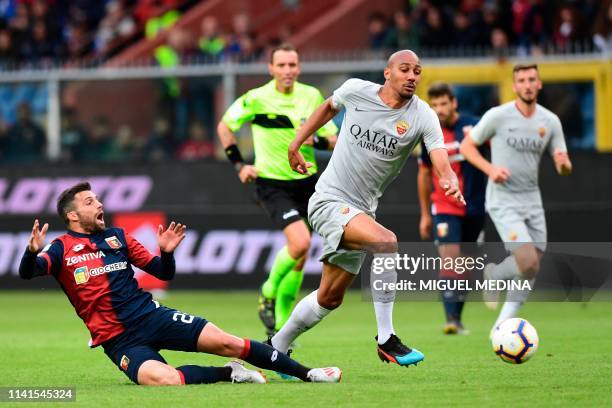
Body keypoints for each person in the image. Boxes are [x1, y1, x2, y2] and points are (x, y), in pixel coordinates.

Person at [19, 182, 341, 385]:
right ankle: (230, 374)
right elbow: (28, 271)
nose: (99, 204)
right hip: (120, 343)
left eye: (98, 199)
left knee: (228, 342)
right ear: (72, 216)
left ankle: (308, 373)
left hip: (152, 317)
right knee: (164, 380)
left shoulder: (117, 237)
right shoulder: (61, 249)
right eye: (90, 202)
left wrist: (166, 253)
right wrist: (30, 251)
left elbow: (163, 272)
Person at [271, 50, 465, 366]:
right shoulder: (356, 90)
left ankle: (275, 347)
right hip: (328, 201)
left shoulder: (422, 115)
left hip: (361, 213)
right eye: (405, 69)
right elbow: (326, 108)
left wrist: (448, 179)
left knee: (329, 297)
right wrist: (296, 144)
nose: (413, 76)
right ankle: (386, 338)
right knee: (386, 243)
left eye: (417, 71)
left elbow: (438, 154)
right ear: (388, 73)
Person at [217, 43, 338, 336]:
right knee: (300, 244)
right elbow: (225, 127)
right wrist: (240, 165)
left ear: (299, 68)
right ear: (270, 68)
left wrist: (314, 142)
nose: (287, 71)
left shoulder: (311, 96)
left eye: (292, 65)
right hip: (271, 182)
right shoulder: (257, 98)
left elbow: (332, 140)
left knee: (299, 258)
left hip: (307, 181)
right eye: (281, 65)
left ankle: (281, 325)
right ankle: (268, 292)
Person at [460, 63, 572, 336]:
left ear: (539, 84)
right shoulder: (498, 116)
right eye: (521, 80)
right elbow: (467, 146)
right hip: (503, 200)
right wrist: (491, 169)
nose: (527, 84)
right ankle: (496, 285)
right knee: (528, 262)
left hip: (532, 201)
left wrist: (563, 164)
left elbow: (563, 164)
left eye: (531, 79)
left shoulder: (550, 121)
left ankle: (499, 313)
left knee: (531, 267)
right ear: (514, 86)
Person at [418, 82, 487, 335]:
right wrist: (426, 214)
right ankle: (449, 319)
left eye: (443, 104)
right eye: (434, 105)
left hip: (475, 207)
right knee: (450, 258)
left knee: (466, 264)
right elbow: (424, 175)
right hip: (445, 207)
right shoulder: (429, 133)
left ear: (454, 103)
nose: (439, 110)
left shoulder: (475, 126)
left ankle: (457, 319)